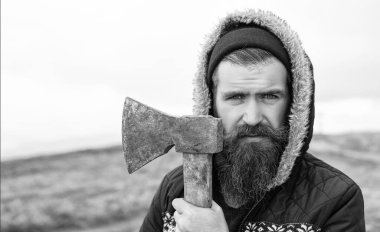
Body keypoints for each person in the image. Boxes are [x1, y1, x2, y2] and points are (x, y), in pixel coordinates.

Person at [139, 9, 365, 232]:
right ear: (210, 104)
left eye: (269, 96)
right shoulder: (174, 188)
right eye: (236, 97)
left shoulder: (336, 199)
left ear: (293, 103)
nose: (253, 118)